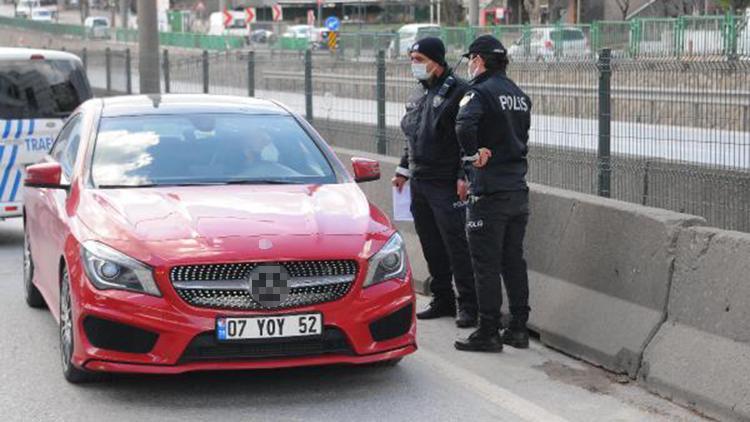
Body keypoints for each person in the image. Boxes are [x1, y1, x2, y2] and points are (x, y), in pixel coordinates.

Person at [453, 35, 533, 352]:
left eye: (471, 58)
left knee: (485, 263)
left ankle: (488, 331)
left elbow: (463, 125)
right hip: (517, 190)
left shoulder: (479, 92)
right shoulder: (519, 95)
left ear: (480, 60)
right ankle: (518, 328)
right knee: (513, 261)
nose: (470, 65)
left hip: (489, 192)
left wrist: (473, 157)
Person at [391, 37, 478, 328]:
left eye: (419, 60)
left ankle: (469, 304)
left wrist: (462, 176)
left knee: (456, 245)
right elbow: (412, 137)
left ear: (436, 61)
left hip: (446, 183)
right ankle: (443, 298)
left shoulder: (460, 92)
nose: (414, 65)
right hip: (420, 180)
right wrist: (403, 170)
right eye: (412, 60)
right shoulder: (419, 94)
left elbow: (467, 139)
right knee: (431, 243)